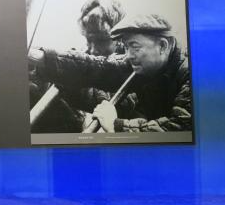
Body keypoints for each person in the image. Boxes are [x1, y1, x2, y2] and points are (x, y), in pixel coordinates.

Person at [29, 13, 191, 133]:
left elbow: (178, 129)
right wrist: (44, 57)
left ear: (162, 46)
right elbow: (97, 67)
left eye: (135, 47)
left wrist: (115, 124)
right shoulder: (146, 63)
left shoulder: (192, 75)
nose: (129, 55)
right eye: (126, 47)